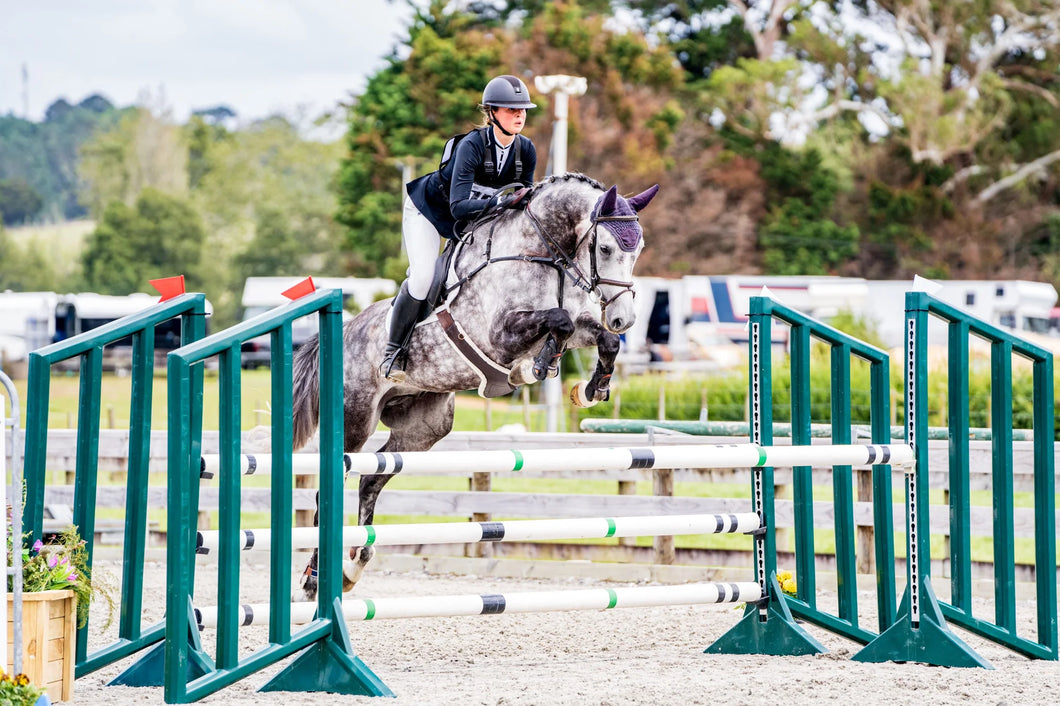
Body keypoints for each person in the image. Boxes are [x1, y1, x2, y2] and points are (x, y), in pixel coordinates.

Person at [381, 74, 539, 381]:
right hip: (429, 211)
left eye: (522, 109)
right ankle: (392, 352)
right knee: (424, 276)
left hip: (469, 221)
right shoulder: (472, 146)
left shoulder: (526, 151)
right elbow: (457, 206)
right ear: (492, 112)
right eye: (510, 109)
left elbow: (524, 202)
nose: (519, 115)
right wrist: (498, 205)